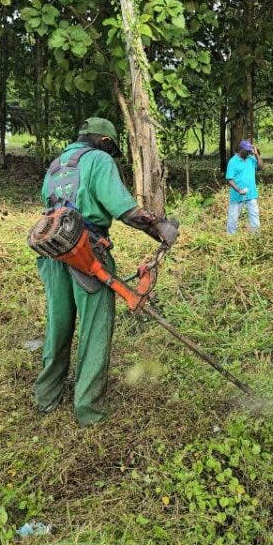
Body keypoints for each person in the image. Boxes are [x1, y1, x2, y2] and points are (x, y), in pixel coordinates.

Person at [35, 117, 179, 425]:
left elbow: (47, 204)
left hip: (51, 252)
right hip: (87, 253)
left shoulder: (57, 164)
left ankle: (47, 396)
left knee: (58, 323)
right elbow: (125, 210)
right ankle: (89, 409)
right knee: (94, 328)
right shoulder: (98, 159)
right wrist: (160, 229)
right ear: (104, 142)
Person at [225, 139, 261, 234]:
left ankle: (256, 235)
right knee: (233, 217)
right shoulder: (233, 161)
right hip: (237, 195)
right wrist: (238, 190)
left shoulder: (251, 159)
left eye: (250, 150)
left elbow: (261, 167)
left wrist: (256, 154)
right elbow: (229, 179)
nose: (249, 152)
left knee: (254, 214)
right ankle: (231, 236)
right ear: (241, 149)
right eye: (247, 150)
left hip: (251, 194)